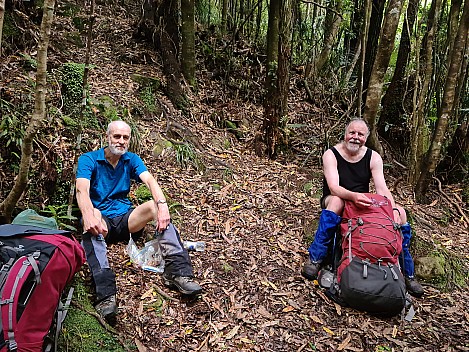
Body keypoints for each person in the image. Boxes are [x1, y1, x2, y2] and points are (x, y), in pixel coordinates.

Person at [76, 120, 202, 324]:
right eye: (117, 136)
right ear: (107, 137)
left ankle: (179, 272)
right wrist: (88, 213)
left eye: (125, 137)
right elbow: (82, 189)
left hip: (127, 221)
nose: (121, 141)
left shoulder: (131, 159)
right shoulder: (89, 159)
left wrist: (162, 206)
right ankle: (105, 294)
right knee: (91, 215)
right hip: (102, 223)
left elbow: (150, 181)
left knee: (154, 206)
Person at [301, 118, 424, 298]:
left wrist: (394, 209)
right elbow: (334, 187)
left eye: (360, 134)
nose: (355, 137)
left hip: (362, 203)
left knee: (401, 214)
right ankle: (316, 257)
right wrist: (353, 196)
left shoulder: (373, 157)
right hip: (339, 198)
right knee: (336, 202)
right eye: (352, 133)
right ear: (345, 134)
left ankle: (407, 272)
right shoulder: (331, 154)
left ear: (366, 137)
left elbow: (382, 189)